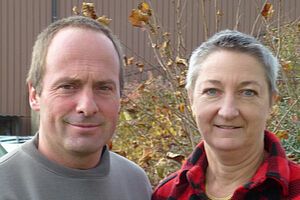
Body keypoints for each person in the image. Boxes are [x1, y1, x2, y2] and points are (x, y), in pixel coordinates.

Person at [0, 16, 152, 200]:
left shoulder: (135, 184)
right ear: (34, 96)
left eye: (104, 88)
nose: (87, 107)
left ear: (120, 98)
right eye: (67, 86)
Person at [152, 30, 300, 200]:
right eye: (212, 91)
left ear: (270, 102)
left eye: (248, 93)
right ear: (191, 100)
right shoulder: (167, 194)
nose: (228, 112)